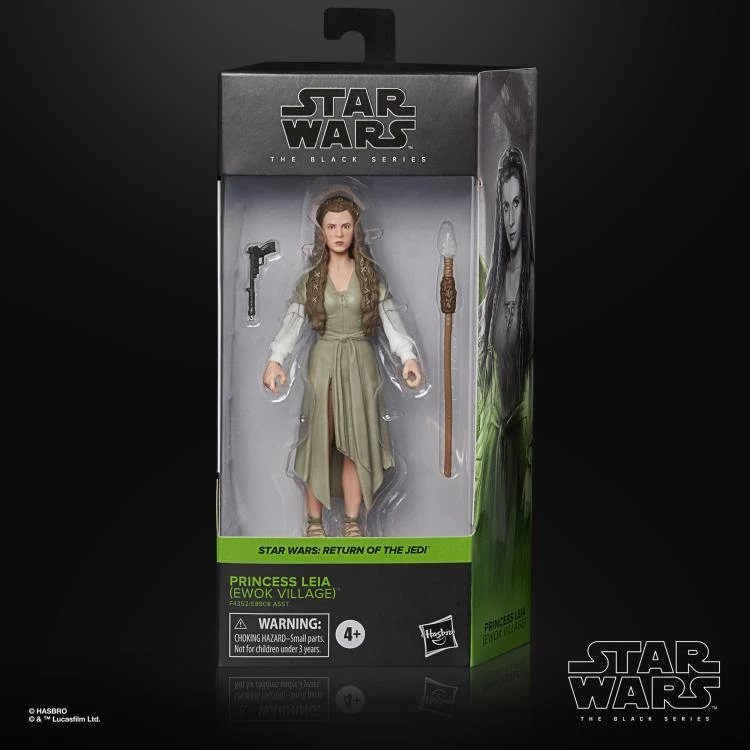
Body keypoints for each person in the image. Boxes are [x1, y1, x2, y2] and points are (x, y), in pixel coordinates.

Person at [263, 193, 422, 538]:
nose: (338, 233)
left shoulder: (369, 277)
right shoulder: (311, 280)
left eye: (345, 226)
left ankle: (352, 521)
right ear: (321, 230)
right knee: (320, 442)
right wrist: (276, 360)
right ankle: (314, 522)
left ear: (355, 230)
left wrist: (407, 357)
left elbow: (391, 319)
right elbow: (292, 323)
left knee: (356, 444)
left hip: (362, 365)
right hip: (323, 365)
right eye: (331, 226)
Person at [476, 146, 534, 589]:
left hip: (525, 444)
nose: (511, 219)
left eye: (517, 204)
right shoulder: (492, 285)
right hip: (494, 441)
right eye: (504, 206)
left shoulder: (533, 282)